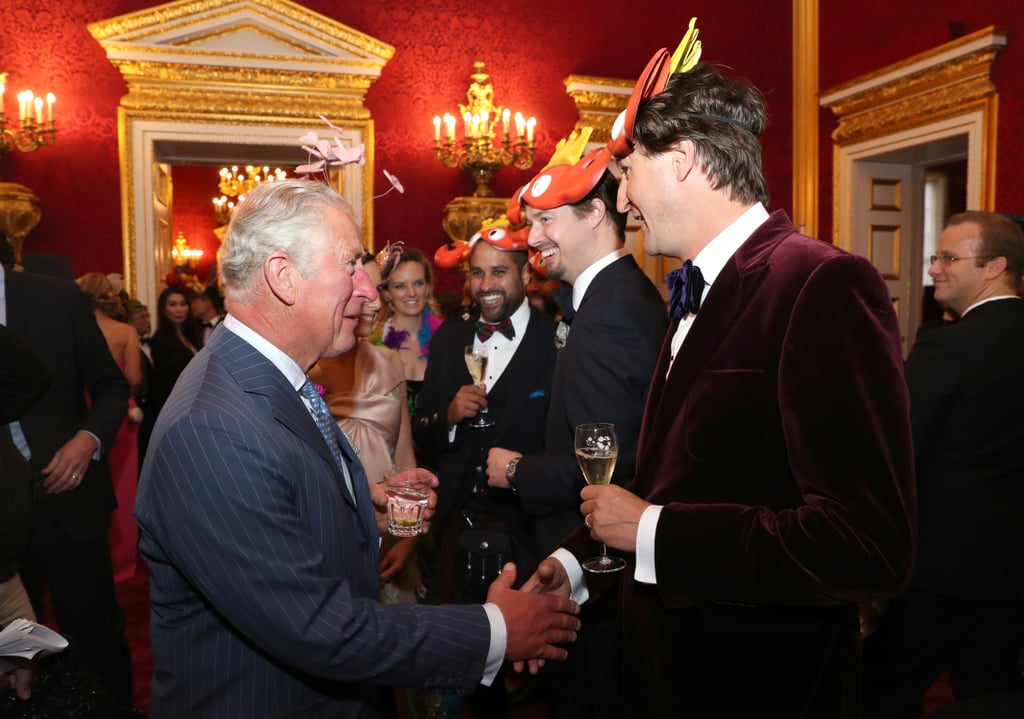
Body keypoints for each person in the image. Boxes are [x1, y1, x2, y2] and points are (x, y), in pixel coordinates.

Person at [524, 42, 917, 718]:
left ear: (682, 162)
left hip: (763, 685)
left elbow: (868, 544)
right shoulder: (692, 292)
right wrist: (574, 563)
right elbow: (681, 477)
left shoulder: (820, 284)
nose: (622, 197)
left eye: (628, 172)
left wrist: (655, 533)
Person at [134, 178, 580, 718]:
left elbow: (276, 513)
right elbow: (318, 628)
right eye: (350, 266)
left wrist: (361, 509)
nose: (370, 291)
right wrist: (497, 630)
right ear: (283, 277)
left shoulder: (276, 379)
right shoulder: (212, 428)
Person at [486, 129, 668, 719]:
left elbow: (613, 466)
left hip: (598, 572)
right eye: (529, 223)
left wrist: (516, 471)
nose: (532, 239)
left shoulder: (609, 315)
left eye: (546, 221)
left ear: (595, 213)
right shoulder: (614, 296)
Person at [863, 211, 1024, 716]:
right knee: (992, 695)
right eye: (937, 256)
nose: (934, 267)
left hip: (938, 570)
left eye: (949, 257)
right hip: (1012, 570)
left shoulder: (946, 344)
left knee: (880, 691)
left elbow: (900, 452)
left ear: (995, 266)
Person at [414, 221, 556, 717]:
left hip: (524, 537)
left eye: (499, 270)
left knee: (521, 683)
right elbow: (422, 429)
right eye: (477, 273)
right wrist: (448, 417)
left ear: (524, 274)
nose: (486, 284)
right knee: (450, 672)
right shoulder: (451, 340)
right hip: (455, 530)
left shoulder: (557, 343)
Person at [1, 252, 134, 706]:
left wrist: (87, 440)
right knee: (15, 652)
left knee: (96, 637)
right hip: (3, 518)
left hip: (67, 501)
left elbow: (112, 387)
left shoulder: (56, 297)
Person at [75, 273, 144, 583]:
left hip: (82, 414)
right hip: (120, 416)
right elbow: (134, 381)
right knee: (123, 487)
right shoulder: (124, 331)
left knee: (85, 483)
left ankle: (89, 557)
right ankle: (124, 563)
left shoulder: (72, 329)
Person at [373, 246, 444, 418]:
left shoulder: (446, 339)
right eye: (400, 286)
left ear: (427, 287)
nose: (411, 293)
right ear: (387, 293)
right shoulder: (374, 347)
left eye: (418, 283)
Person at [144, 285, 202, 441]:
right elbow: (165, 380)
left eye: (183, 304)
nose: (179, 309)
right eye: (173, 305)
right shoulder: (160, 339)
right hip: (177, 406)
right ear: (163, 309)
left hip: (196, 403)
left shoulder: (193, 335)